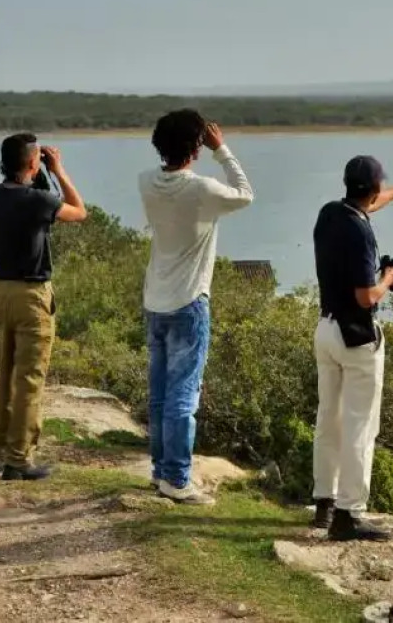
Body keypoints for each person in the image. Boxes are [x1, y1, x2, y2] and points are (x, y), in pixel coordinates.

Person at [311, 155, 393, 540]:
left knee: (328, 419)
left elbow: (371, 204)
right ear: (374, 187)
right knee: (361, 426)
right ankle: (350, 514)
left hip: (326, 329)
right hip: (356, 337)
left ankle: (324, 504)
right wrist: (389, 277)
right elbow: (365, 297)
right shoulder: (361, 234)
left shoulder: (330, 214)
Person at [140, 109, 254, 505]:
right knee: (183, 397)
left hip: (154, 300)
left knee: (159, 395)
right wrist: (222, 150)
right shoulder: (202, 190)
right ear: (197, 146)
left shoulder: (147, 182)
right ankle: (177, 478)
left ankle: (159, 472)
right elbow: (245, 193)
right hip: (189, 302)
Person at [0, 134, 87, 481]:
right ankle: (19, 459)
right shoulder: (39, 201)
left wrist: (39, 172)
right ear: (32, 162)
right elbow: (78, 211)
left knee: (6, 373)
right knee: (29, 379)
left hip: (2, 292)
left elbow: (27, 196)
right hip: (32, 296)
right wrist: (58, 169)